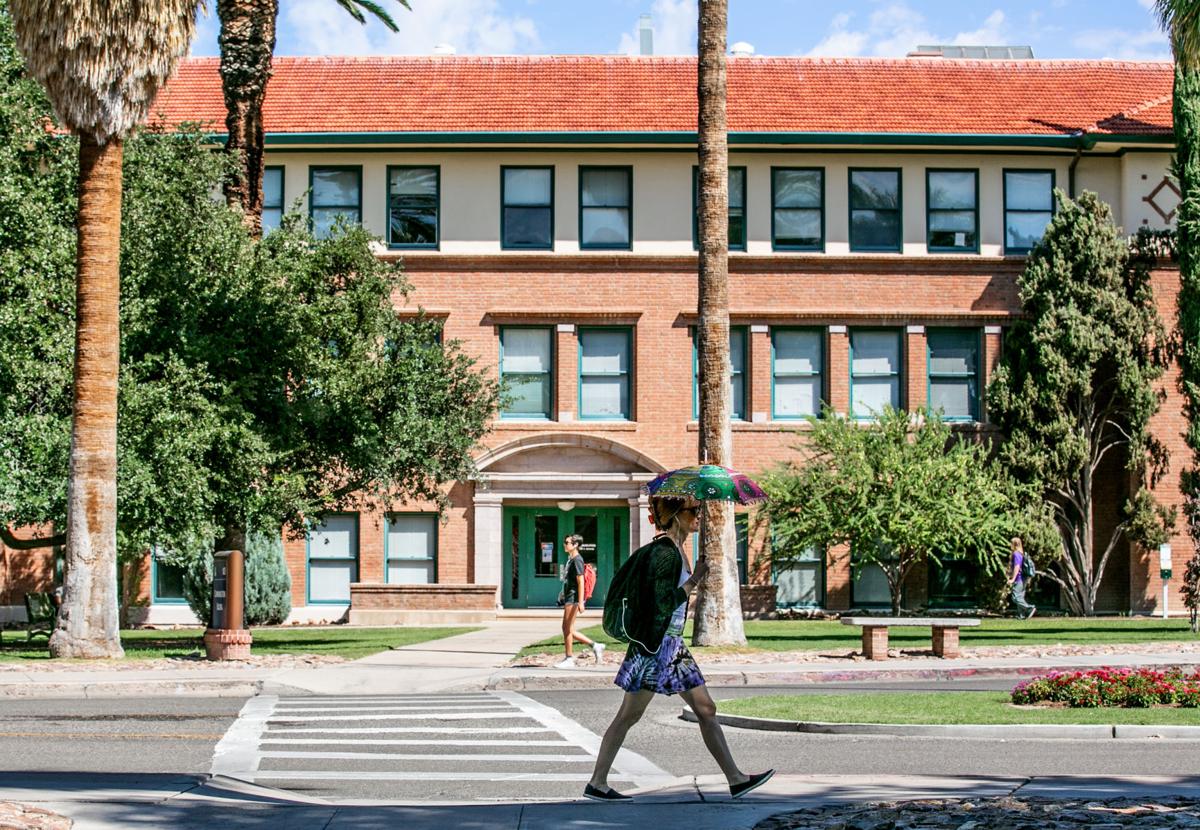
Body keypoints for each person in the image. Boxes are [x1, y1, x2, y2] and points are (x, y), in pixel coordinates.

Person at [584, 495, 774, 802]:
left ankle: (736, 779)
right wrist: (695, 580)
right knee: (628, 716)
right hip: (655, 648)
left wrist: (691, 578)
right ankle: (598, 782)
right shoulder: (665, 554)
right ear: (676, 516)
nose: (698, 515)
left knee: (706, 709)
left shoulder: (676, 550)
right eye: (692, 511)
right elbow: (661, 604)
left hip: (672, 646)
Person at [554, 534, 605, 669]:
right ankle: (595, 646)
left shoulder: (577, 560)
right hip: (569, 596)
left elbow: (580, 581)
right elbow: (567, 580)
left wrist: (581, 601)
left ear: (575, 544)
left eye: (567, 542)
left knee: (567, 628)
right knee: (567, 628)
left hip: (574, 597)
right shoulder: (571, 559)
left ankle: (569, 658)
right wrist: (562, 593)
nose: (565, 545)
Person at [1008, 536, 1036, 619]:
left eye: (1011, 543)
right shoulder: (1021, 554)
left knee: (1015, 597)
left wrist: (1013, 579)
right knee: (1020, 596)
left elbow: (1017, 567)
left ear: (1015, 544)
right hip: (1023, 578)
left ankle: (1029, 608)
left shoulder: (1016, 554)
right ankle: (1022, 615)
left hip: (1019, 578)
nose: (1010, 545)